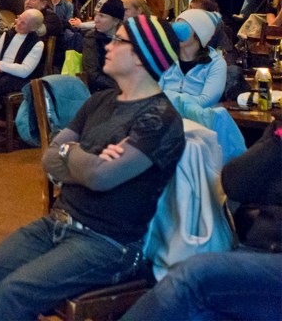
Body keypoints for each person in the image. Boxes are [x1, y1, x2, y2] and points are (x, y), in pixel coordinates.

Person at [0, 15, 186, 321]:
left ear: (141, 56)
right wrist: (82, 154)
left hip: (109, 244)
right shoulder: (101, 100)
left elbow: (99, 176)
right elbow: (50, 158)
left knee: (15, 290)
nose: (109, 44)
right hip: (57, 222)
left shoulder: (160, 118)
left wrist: (72, 153)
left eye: (119, 40)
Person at [120, 119, 282, 321]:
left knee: (196, 276)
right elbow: (235, 185)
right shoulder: (277, 134)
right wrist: (278, 139)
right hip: (254, 245)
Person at [0, 9, 46, 154]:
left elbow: (25, 70)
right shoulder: (8, 34)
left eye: (23, 22)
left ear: (33, 28)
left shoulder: (37, 44)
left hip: (20, 79)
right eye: (18, 18)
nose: (17, 23)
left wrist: (0, 65)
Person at [159, 9, 227, 108]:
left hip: (199, 121)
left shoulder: (215, 63)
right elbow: (153, 95)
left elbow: (205, 101)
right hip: (165, 119)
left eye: (183, 28)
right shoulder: (165, 57)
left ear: (199, 34)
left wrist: (169, 96)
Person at [81, 0, 124, 93]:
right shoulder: (92, 38)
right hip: (101, 92)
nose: (96, 20)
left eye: (102, 16)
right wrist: (120, 88)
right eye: (96, 15)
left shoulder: (125, 40)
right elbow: (92, 74)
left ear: (116, 21)